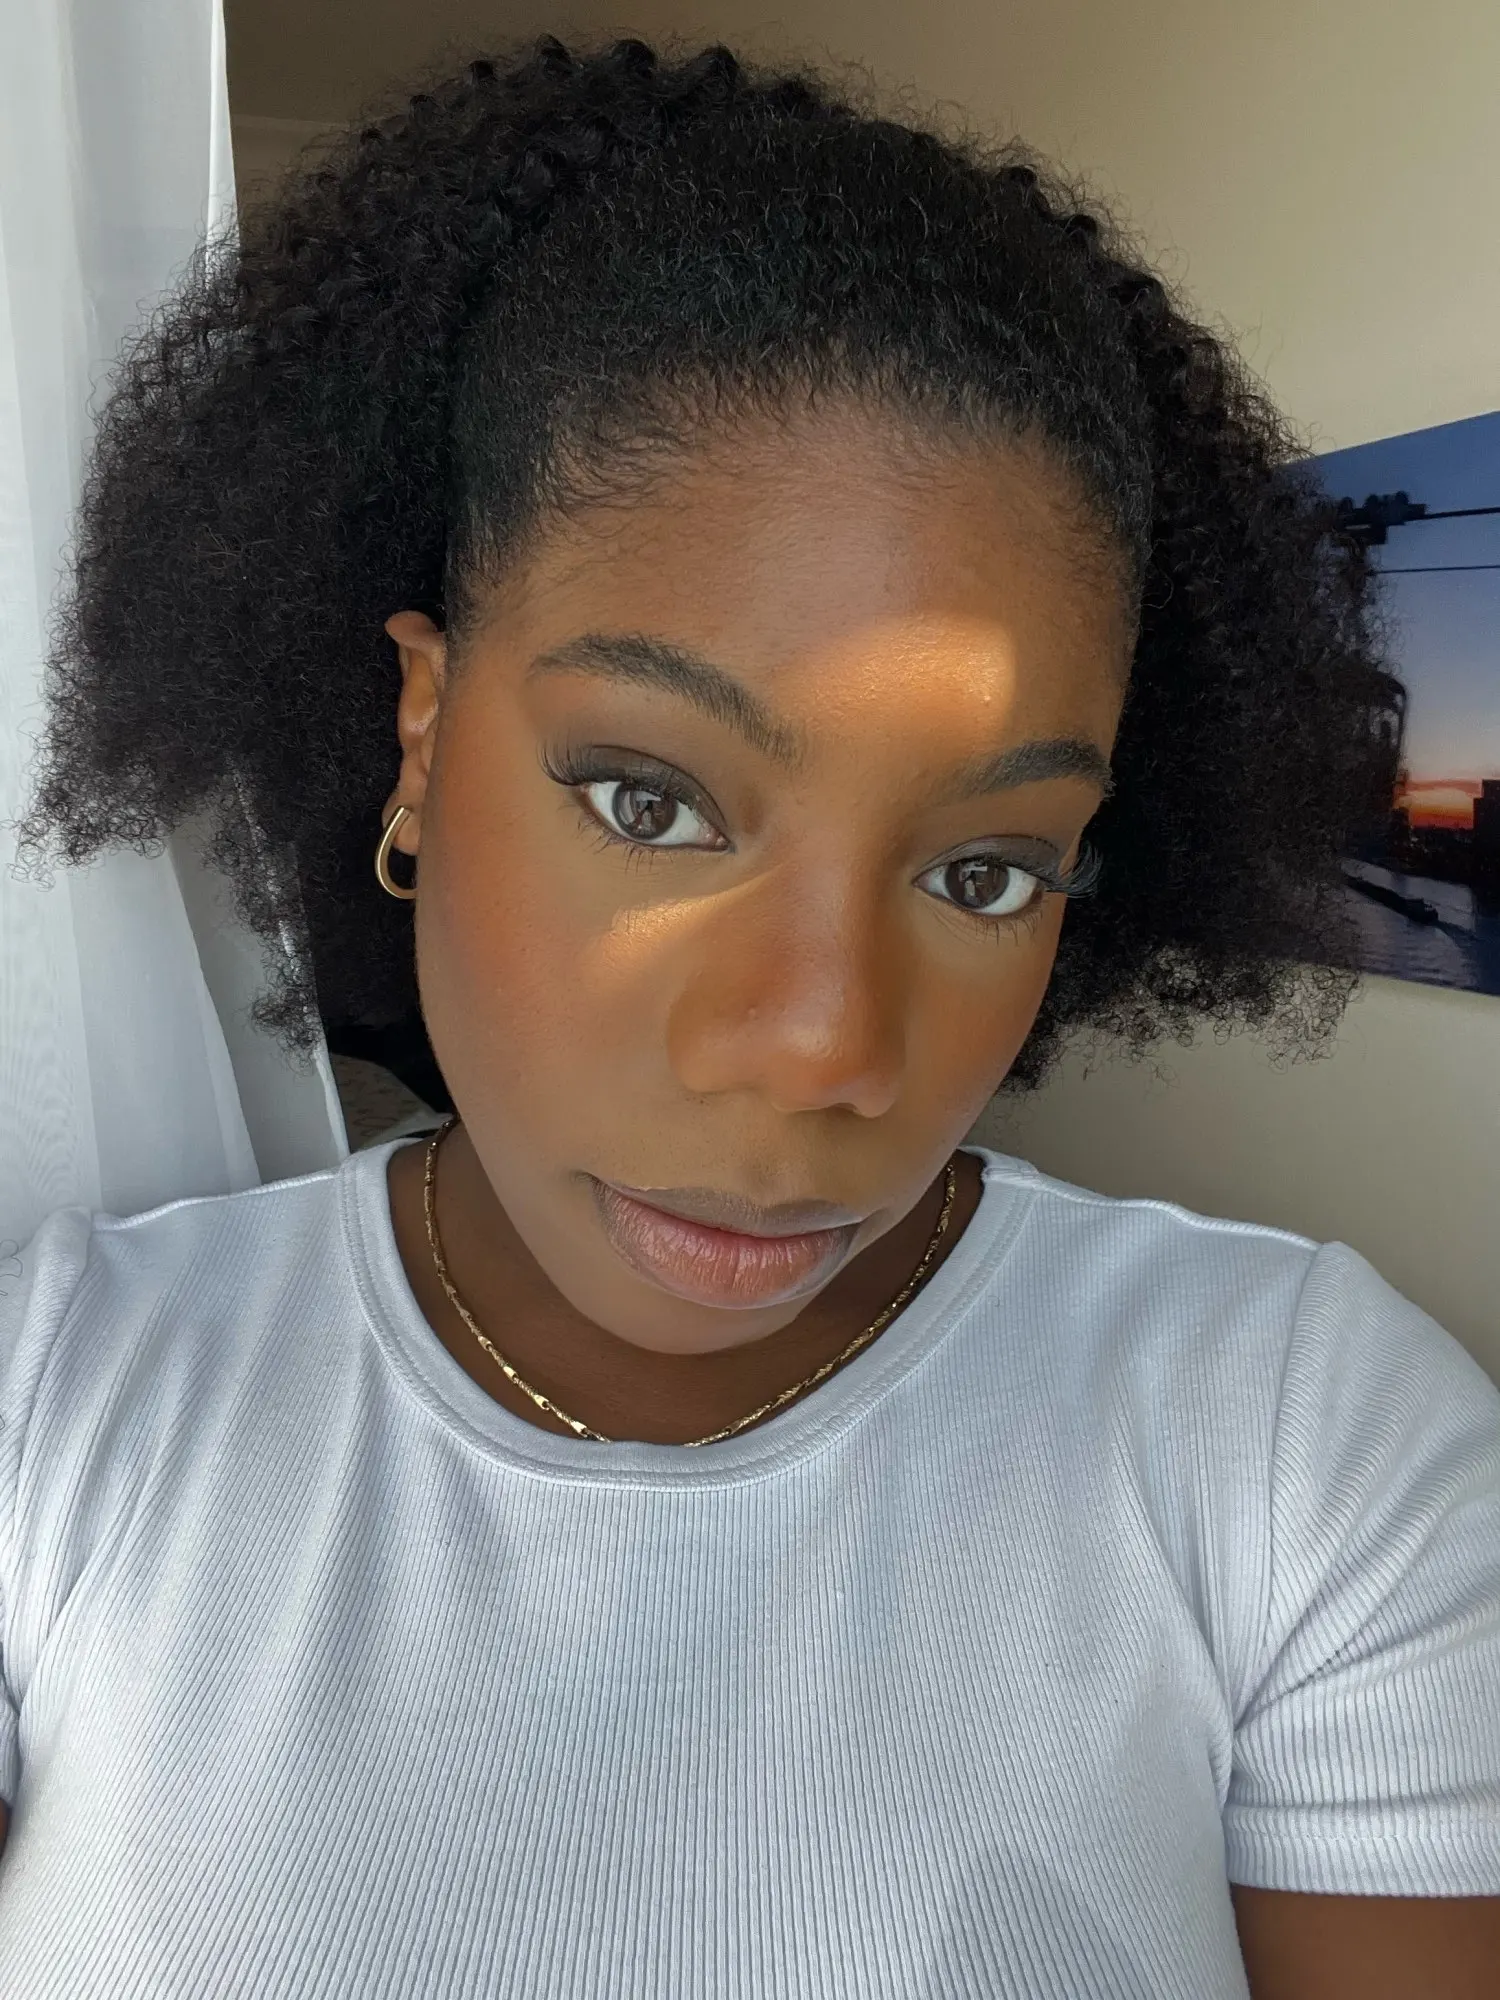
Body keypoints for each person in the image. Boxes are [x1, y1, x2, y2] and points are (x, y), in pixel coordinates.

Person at [3, 34, 1497, 1999]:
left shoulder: (1311, 1445)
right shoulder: (54, 1401)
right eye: (650, 801)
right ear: (423, 734)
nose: (827, 1050)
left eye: (987, 871)